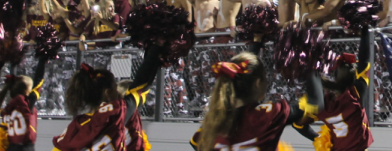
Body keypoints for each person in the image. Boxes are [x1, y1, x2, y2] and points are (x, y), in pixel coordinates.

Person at [191, 50, 325, 151]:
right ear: (257, 83)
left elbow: (195, 144)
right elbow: (315, 103)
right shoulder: (265, 116)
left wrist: (255, 42)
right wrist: (310, 61)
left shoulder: (213, 124)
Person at [51, 45, 161, 151]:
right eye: (115, 88)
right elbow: (141, 84)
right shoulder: (115, 114)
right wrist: (156, 47)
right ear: (108, 93)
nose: (118, 93)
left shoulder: (74, 128)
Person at [292, 25, 374, 151]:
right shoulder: (355, 95)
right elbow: (365, 60)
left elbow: (297, 124)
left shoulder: (323, 103)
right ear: (354, 78)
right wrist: (365, 28)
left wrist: (317, 138)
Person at [0, 57, 47, 151]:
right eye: (30, 88)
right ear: (26, 90)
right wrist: (43, 60)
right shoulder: (25, 104)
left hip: (11, 147)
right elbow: (38, 82)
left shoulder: (9, 108)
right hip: (25, 148)